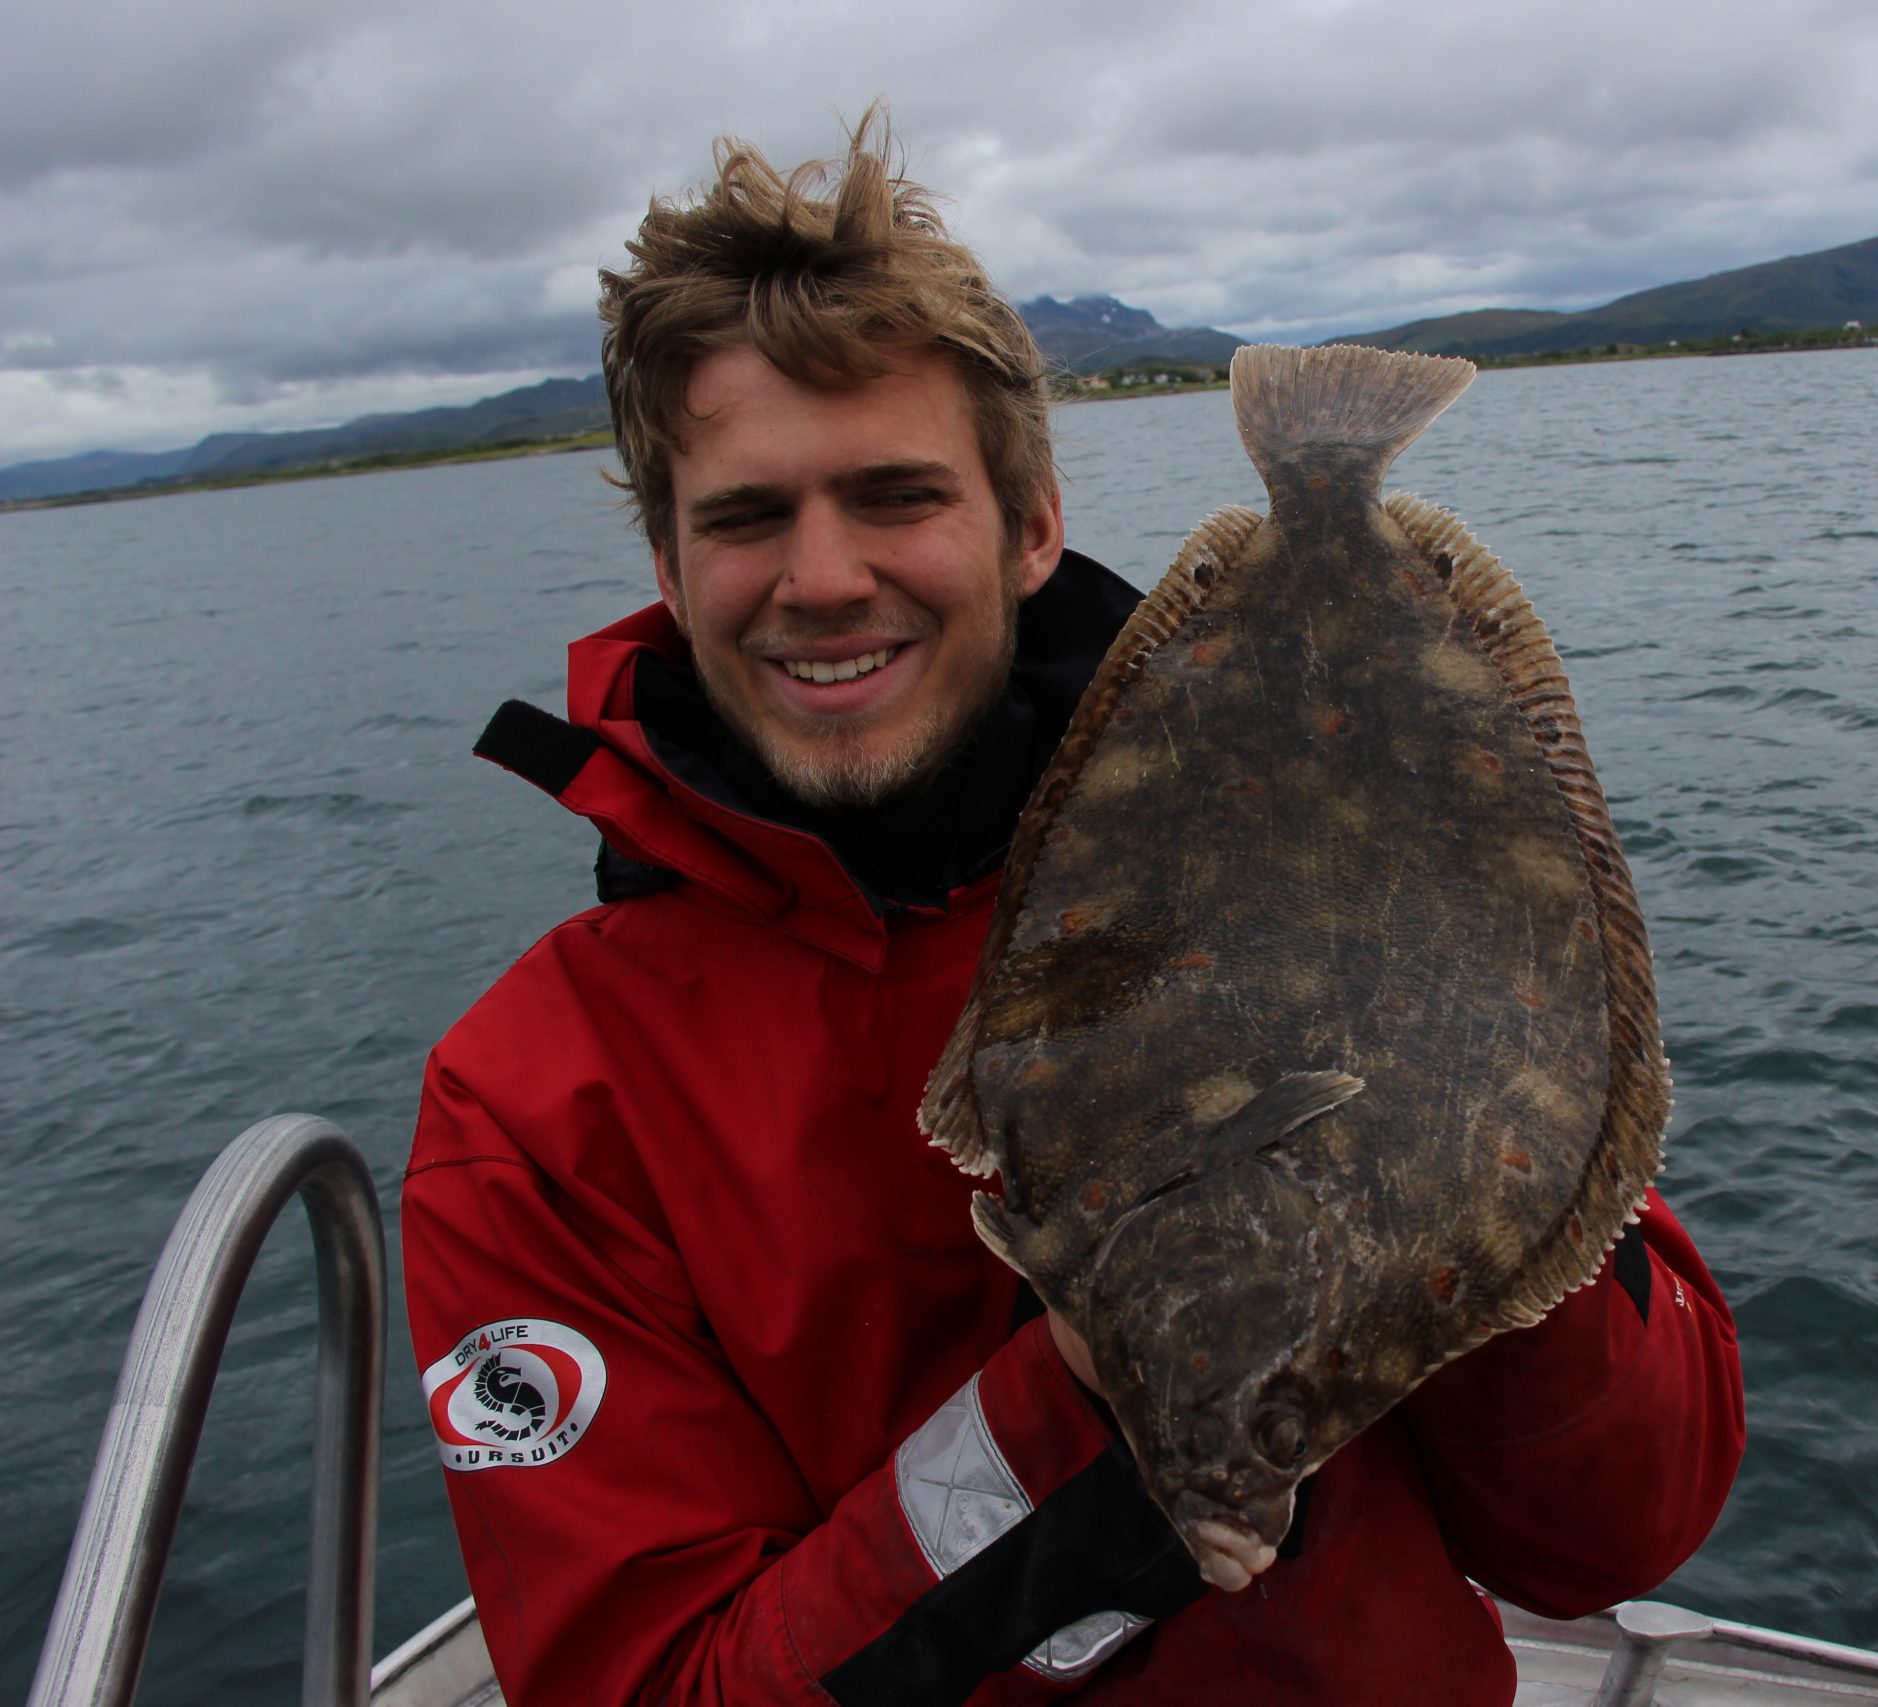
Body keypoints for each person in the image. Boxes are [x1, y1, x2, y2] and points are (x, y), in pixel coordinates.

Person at [402, 112, 1744, 1707]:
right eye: (749, 517)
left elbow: (1619, 1540)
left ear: (1033, 521)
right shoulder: (538, 1104)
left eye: (896, 496)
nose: (823, 577)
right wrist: (1085, 1395)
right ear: (669, 561)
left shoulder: (1331, 885)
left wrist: (1467, 1198)